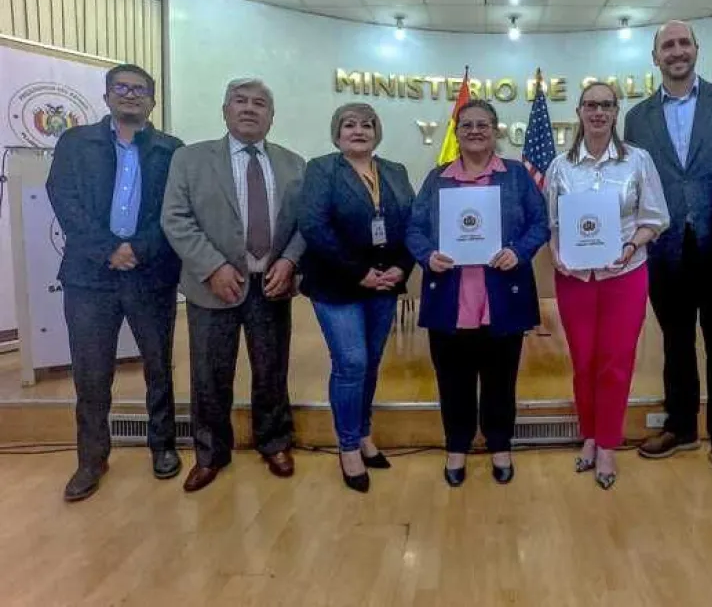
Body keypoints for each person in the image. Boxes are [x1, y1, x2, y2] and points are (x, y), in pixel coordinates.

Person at [623, 20, 712, 491]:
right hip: (666, 248)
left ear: (697, 50)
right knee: (675, 345)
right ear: (655, 57)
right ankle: (680, 427)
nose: (676, 52)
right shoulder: (636, 118)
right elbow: (635, 182)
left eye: (683, 43)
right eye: (667, 46)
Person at [161, 78, 305, 493]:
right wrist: (212, 266)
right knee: (209, 375)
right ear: (225, 111)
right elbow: (176, 218)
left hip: (272, 286)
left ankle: (275, 442)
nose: (249, 108)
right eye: (240, 101)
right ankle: (210, 454)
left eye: (260, 103)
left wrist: (290, 260)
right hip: (213, 286)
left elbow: (305, 225)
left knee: (271, 371)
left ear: (271, 116)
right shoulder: (190, 160)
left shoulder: (295, 164)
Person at [47, 64, 183, 502]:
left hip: (151, 274)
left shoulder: (170, 149)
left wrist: (138, 249)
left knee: (158, 367)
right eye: (121, 88)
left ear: (152, 100)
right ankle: (91, 459)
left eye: (140, 89)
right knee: (91, 374)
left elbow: (174, 210)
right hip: (90, 277)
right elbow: (63, 198)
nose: (130, 95)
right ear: (106, 96)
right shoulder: (76, 142)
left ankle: (162, 447)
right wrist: (108, 248)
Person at [406, 99, 549, 487]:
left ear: (495, 129)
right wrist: (427, 254)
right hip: (451, 299)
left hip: (502, 296)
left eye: (482, 124)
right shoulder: (438, 178)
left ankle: (500, 444)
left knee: (501, 379)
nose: (474, 131)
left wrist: (518, 252)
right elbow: (414, 229)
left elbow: (540, 224)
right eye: (466, 125)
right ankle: (457, 446)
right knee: (452, 379)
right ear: (456, 131)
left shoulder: (517, 176)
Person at [545, 82, 669, 490]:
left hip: (625, 275)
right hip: (575, 278)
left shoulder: (638, 161)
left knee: (616, 360)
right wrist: (557, 252)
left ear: (616, 113)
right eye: (590, 105)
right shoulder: (560, 167)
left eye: (606, 105)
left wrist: (633, 243)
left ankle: (609, 445)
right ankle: (590, 436)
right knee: (583, 361)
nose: (598, 112)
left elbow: (655, 218)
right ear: (579, 112)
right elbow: (552, 226)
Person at [298, 103, 415, 493]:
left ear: (377, 132)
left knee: (372, 362)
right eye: (350, 125)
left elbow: (412, 223)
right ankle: (347, 446)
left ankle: (364, 435)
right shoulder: (322, 169)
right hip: (338, 284)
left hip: (384, 282)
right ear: (337, 133)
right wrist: (359, 272)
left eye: (367, 125)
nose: (359, 131)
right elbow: (314, 226)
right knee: (351, 363)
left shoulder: (395, 172)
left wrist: (402, 267)